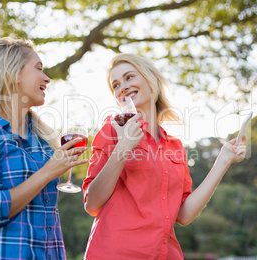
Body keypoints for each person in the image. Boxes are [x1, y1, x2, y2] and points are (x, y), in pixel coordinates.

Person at [82, 53, 247, 259]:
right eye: (115, 85)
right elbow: (92, 203)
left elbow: (184, 214)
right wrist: (123, 147)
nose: (122, 87)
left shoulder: (175, 146)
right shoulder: (113, 130)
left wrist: (223, 160)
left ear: (152, 79)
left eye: (129, 77)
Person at [0, 37, 88, 260]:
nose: (47, 78)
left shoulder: (43, 140)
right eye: (38, 68)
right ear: (13, 72)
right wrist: (47, 172)